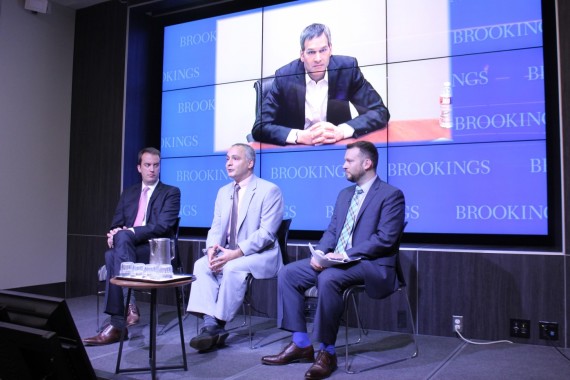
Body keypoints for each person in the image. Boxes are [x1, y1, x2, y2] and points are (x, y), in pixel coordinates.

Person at [261, 140, 405, 379]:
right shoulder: (344, 194)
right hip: (337, 262)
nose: (343, 165)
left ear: (367, 163)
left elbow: (385, 240)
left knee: (328, 278)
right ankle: (301, 344)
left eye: (349, 161)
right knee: (289, 273)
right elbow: (333, 230)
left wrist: (346, 255)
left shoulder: (391, 195)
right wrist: (320, 254)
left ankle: (327, 352)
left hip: (370, 265)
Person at [187, 143, 284, 351]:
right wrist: (212, 248)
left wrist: (237, 253)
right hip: (228, 251)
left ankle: (215, 325)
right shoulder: (223, 192)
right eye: (227, 158)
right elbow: (215, 226)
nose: (228, 163)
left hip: (259, 254)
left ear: (250, 163)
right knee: (201, 265)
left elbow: (267, 234)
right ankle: (211, 326)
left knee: (232, 267)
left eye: (235, 158)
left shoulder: (269, 190)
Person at [83, 147, 181, 346]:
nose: (152, 169)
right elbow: (116, 224)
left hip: (155, 252)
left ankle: (120, 320)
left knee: (116, 251)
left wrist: (129, 233)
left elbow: (163, 226)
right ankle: (121, 320)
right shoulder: (128, 193)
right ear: (139, 168)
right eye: (147, 165)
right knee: (112, 254)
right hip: (128, 249)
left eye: (156, 165)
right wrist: (114, 234)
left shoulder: (171, 192)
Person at [251, 23, 389, 146]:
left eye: (323, 50)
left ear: (330, 49)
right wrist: (299, 136)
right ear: (302, 55)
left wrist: (342, 131)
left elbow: (379, 112)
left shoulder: (347, 69)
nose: (318, 59)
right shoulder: (285, 77)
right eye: (311, 52)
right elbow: (260, 127)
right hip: (298, 150)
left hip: (336, 146)